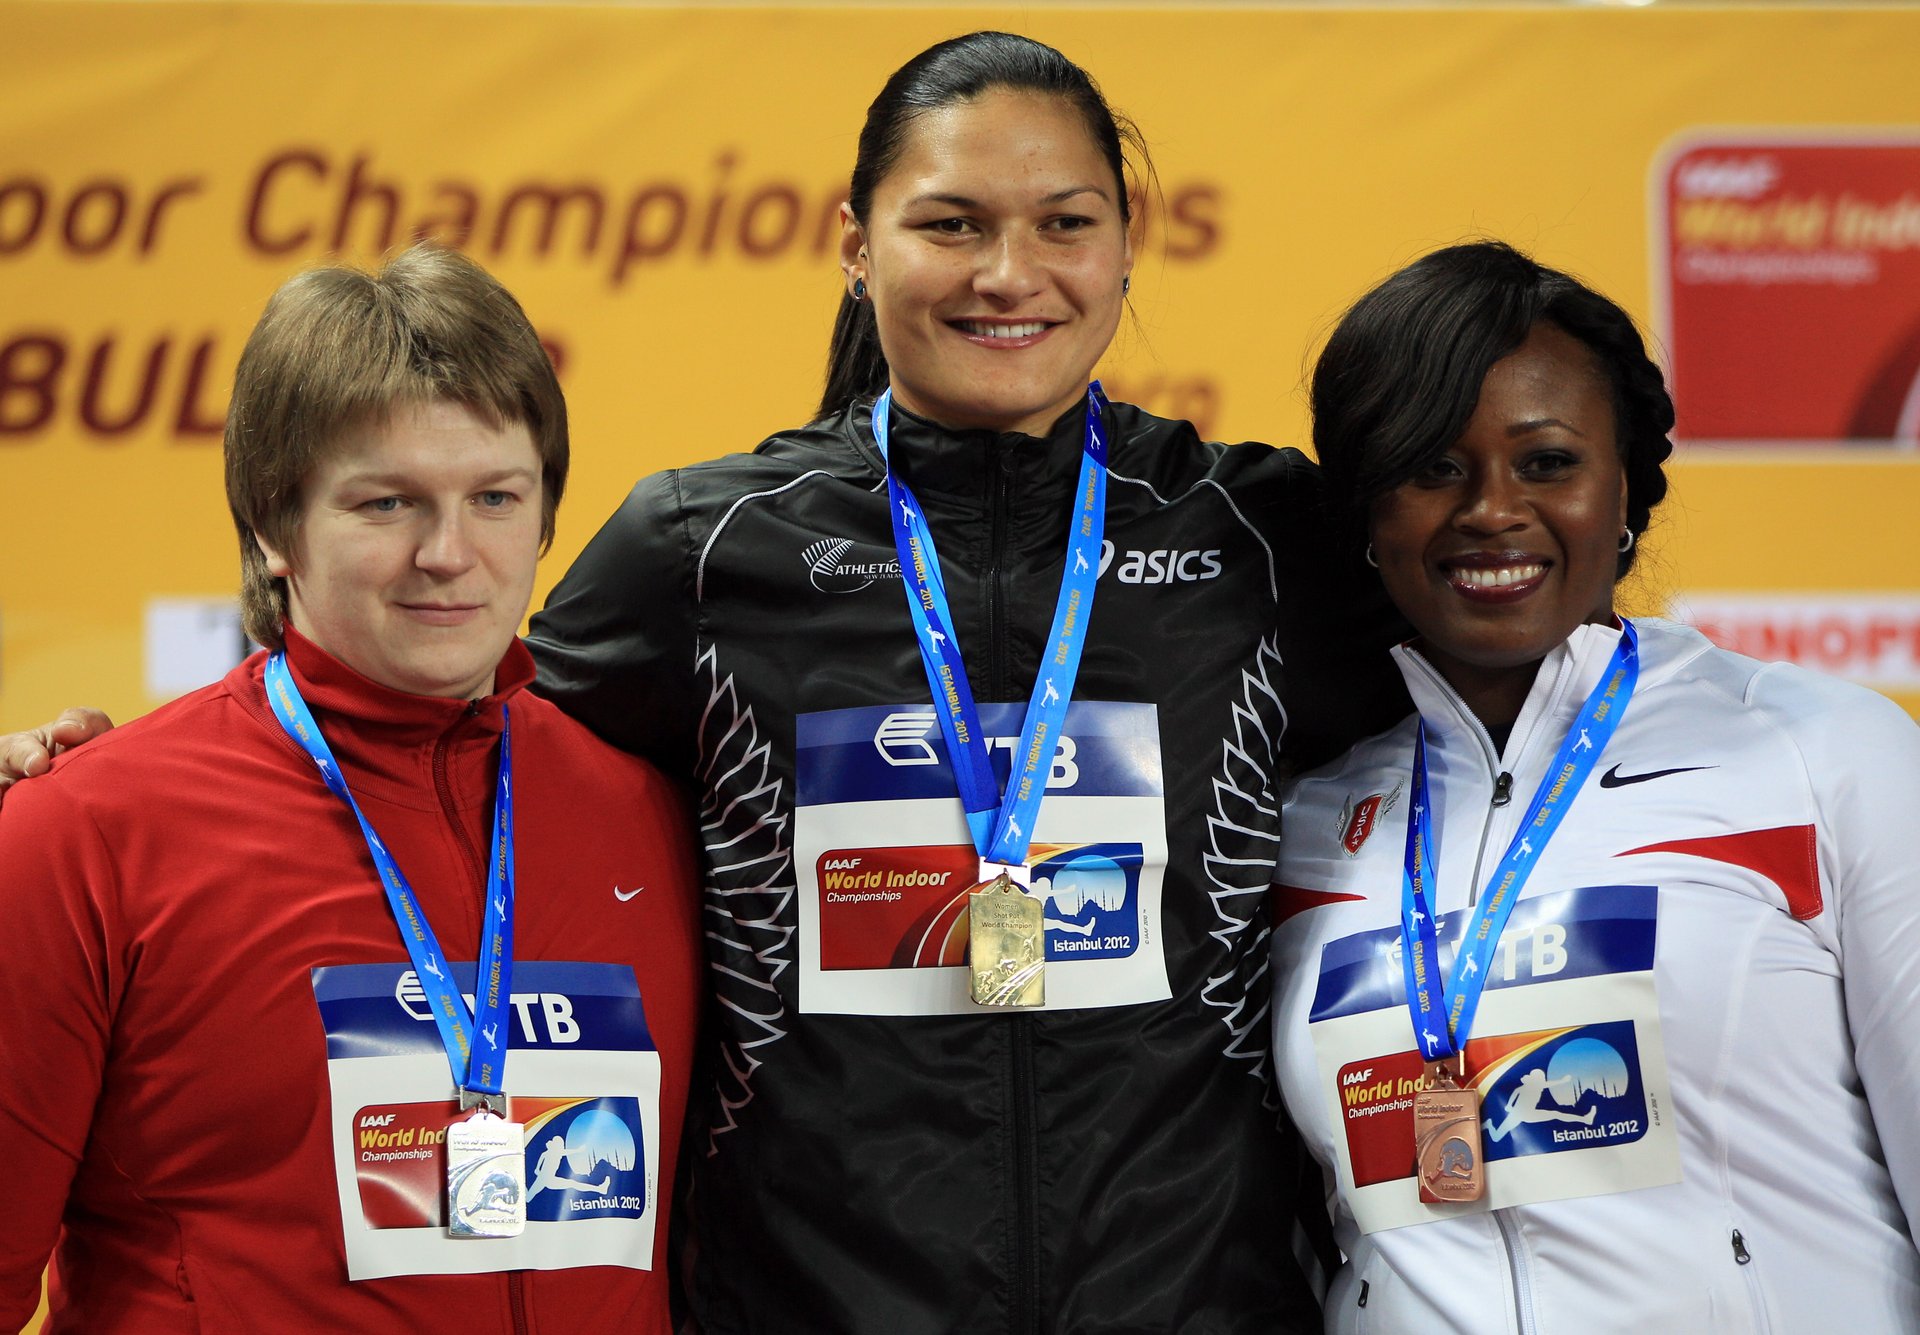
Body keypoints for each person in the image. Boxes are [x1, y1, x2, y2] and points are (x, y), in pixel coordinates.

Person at [1, 33, 1403, 1333]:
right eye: (951, 223)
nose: (1008, 272)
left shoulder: (1260, 538)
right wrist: (100, 796)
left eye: (1064, 223)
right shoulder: (708, 551)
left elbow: (1477, 733)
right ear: (855, 245)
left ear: (1127, 242)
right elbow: (425, 725)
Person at [0, 246, 703, 1331]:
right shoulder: (84, 835)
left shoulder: (648, 813)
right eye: (387, 503)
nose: (449, 553)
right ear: (273, 525)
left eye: (495, 496)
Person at [1268, 240, 1920, 1332]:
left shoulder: (1820, 755)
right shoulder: (1305, 827)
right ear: (1368, 517)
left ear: (1624, 491)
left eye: (1547, 462)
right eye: (1433, 468)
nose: (1491, 509)